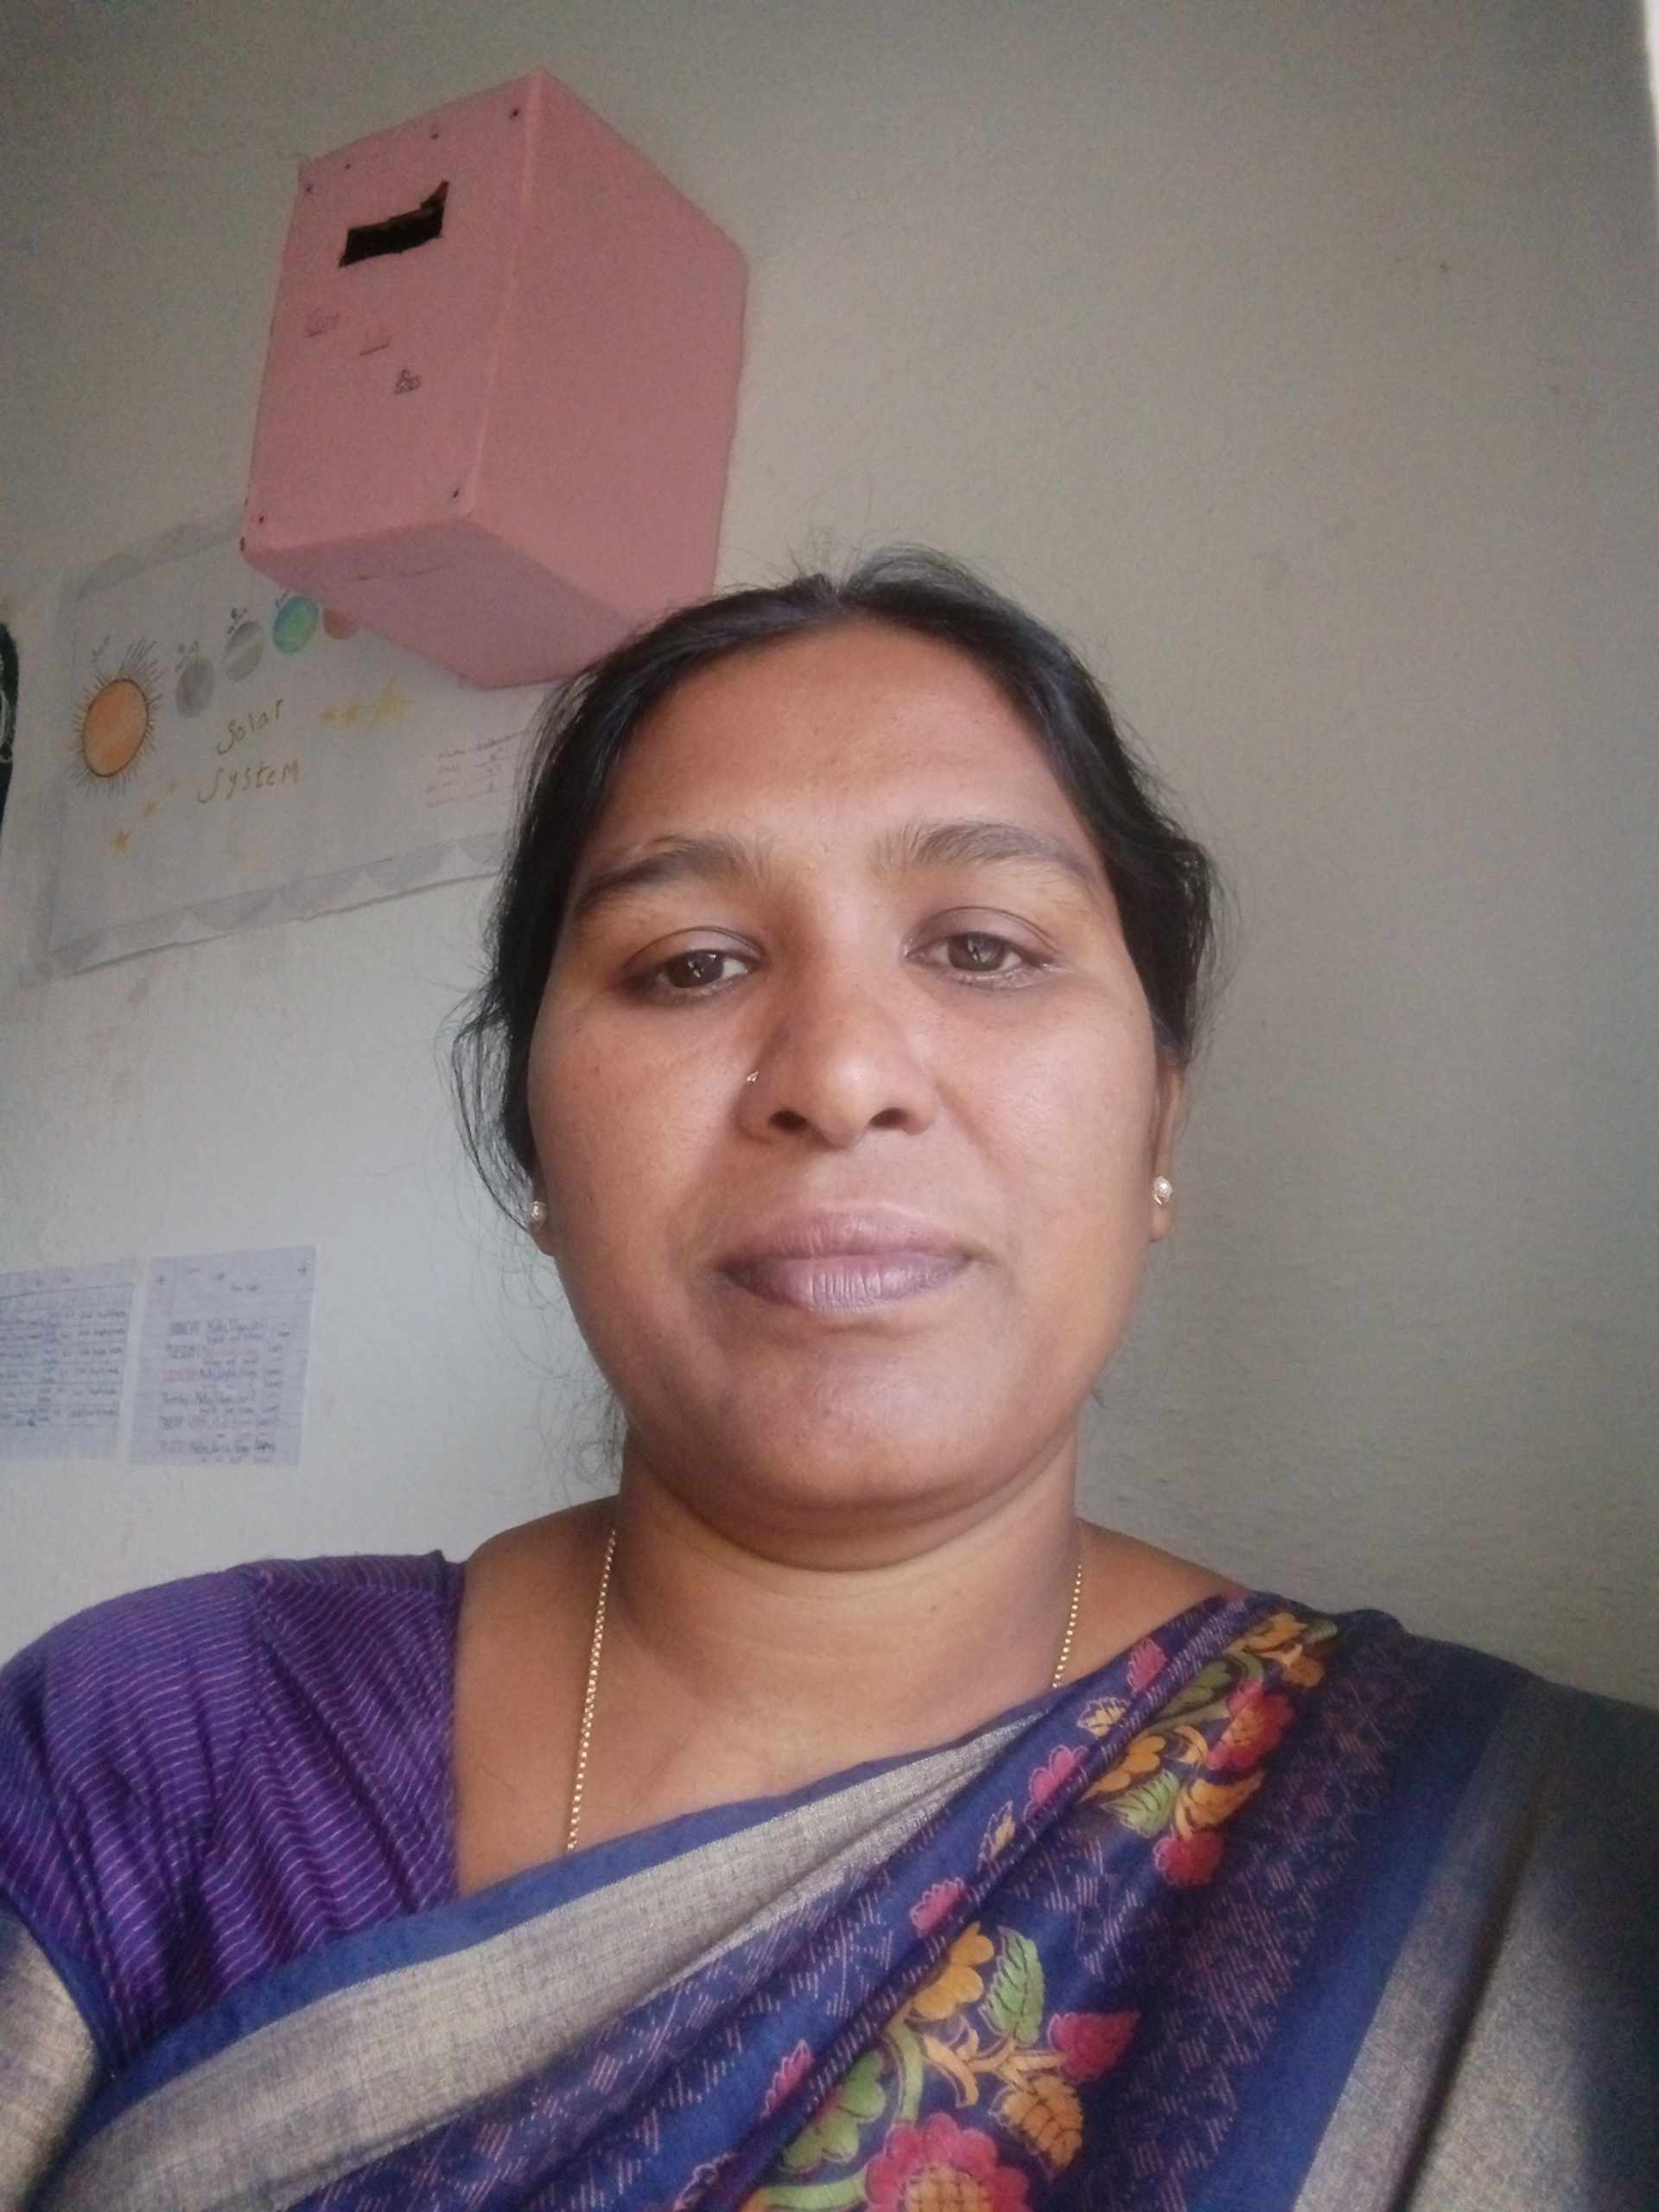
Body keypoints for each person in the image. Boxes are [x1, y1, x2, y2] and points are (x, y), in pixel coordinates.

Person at [1, 552, 1653, 2210]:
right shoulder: (149, 1756)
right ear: (534, 1148)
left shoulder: (1537, 1888)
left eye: (985, 947)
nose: (844, 1075)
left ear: (1159, 1117)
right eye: (691, 963)